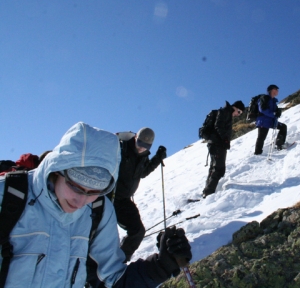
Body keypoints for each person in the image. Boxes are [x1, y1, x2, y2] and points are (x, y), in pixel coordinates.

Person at [0, 122, 191, 288]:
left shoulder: (98, 211)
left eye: (95, 190)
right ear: (57, 169)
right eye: (75, 185)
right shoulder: (8, 198)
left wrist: (161, 266)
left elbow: (113, 281)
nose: (82, 200)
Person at [113, 127, 167, 261]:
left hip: (124, 200)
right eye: (140, 144)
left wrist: (158, 158)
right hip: (109, 197)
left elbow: (143, 172)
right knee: (102, 235)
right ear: (135, 137)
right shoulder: (121, 149)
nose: (142, 148)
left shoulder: (143, 156)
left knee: (138, 231)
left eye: (146, 146)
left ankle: (120, 260)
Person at [202, 100, 246, 198]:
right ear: (235, 107)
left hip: (216, 143)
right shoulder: (225, 112)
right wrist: (225, 140)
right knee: (218, 169)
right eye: (239, 112)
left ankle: (207, 191)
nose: (238, 115)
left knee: (214, 168)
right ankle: (209, 192)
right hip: (217, 144)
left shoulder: (226, 112)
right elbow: (219, 126)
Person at [254, 84, 287, 155]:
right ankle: (257, 153)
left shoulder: (273, 101)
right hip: (263, 121)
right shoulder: (264, 98)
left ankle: (279, 144)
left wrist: (277, 112)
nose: (278, 91)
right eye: (276, 89)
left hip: (270, 121)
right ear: (272, 90)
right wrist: (274, 114)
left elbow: (273, 111)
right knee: (261, 137)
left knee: (283, 127)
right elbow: (262, 109)